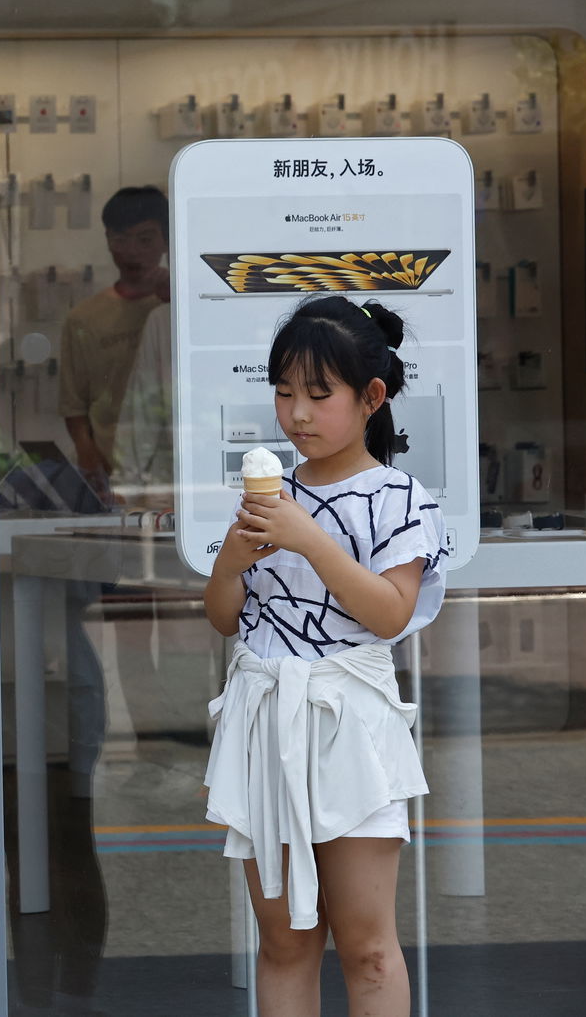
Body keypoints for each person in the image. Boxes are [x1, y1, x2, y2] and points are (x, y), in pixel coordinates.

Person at [202, 296, 446, 1016]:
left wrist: (308, 538)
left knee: (367, 946)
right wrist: (229, 564)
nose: (296, 414)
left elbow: (391, 613)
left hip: (351, 729)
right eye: (283, 393)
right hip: (265, 717)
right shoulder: (267, 497)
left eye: (317, 395)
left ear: (371, 397)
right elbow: (224, 618)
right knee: (284, 943)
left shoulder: (401, 497)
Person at [58, 185, 169, 502]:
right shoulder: (84, 318)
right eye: (120, 239)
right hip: (112, 470)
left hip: (173, 469)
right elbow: (74, 406)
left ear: (166, 239)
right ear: (107, 240)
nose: (132, 251)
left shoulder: (181, 310)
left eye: (145, 239)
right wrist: (90, 460)